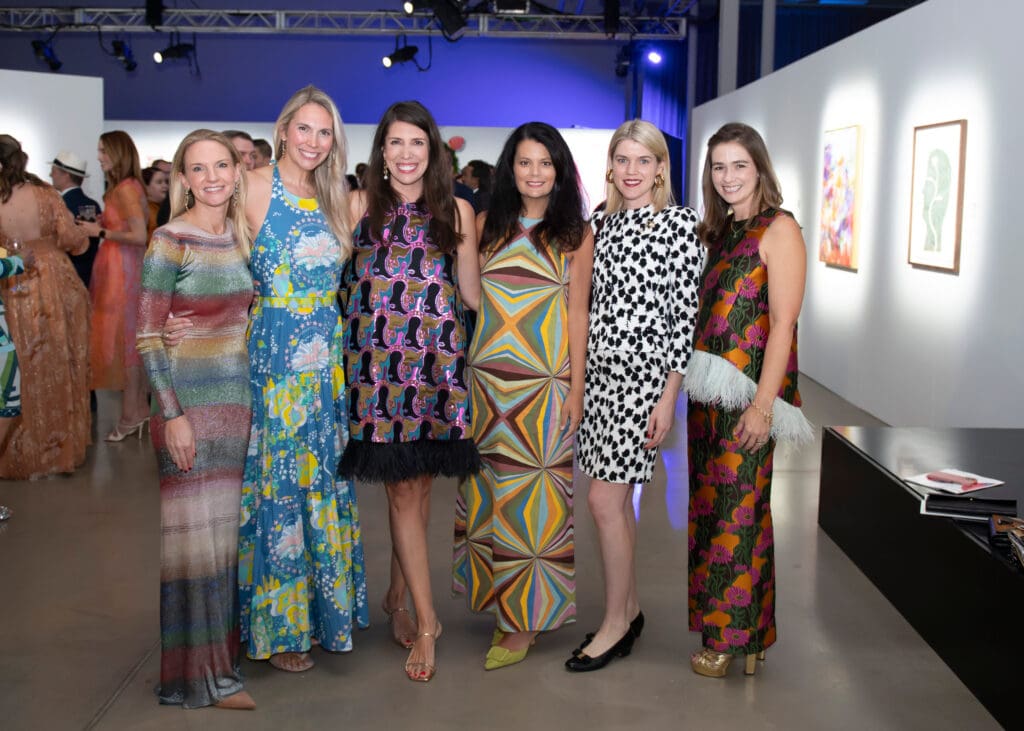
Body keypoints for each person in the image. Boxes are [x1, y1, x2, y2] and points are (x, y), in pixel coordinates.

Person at [342, 100, 480, 682]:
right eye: (394, 144)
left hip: (435, 366)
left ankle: (397, 594)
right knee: (401, 490)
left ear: (434, 150)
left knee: (418, 488)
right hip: (375, 372)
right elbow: (322, 278)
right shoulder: (356, 205)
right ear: (380, 150)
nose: (405, 155)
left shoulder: (458, 210)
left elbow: (472, 296)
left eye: (416, 144)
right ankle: (428, 625)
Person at [236, 87, 368, 673]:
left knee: (323, 484)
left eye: (325, 132)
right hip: (273, 359)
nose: (315, 141)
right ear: (284, 128)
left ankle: (325, 616)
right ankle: (283, 628)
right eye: (305, 129)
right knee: (280, 488)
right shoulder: (252, 186)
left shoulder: (338, 196)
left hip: (326, 366)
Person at [452, 122, 593, 670]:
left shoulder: (576, 234)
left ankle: (524, 622)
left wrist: (577, 389)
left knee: (535, 503)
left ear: (560, 172)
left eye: (546, 163)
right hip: (487, 384)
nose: (535, 173)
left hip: (544, 387)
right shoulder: (487, 224)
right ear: (510, 168)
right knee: (491, 497)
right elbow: (469, 298)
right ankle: (498, 603)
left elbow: (578, 314)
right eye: (525, 162)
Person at [566, 120, 704, 672]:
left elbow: (683, 319)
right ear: (610, 166)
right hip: (599, 378)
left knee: (602, 501)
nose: (631, 170)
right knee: (615, 502)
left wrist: (669, 397)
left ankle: (616, 623)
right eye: (621, 159)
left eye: (642, 160)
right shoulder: (599, 222)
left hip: (643, 383)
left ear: (660, 167)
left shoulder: (681, 225)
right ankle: (630, 606)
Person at [684, 122, 812, 678]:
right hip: (708, 398)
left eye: (739, 165)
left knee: (741, 516)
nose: (728, 177)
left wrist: (762, 407)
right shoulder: (720, 232)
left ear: (759, 167)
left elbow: (783, 323)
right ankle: (748, 635)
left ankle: (729, 639)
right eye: (718, 167)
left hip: (751, 400)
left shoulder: (778, 228)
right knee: (712, 514)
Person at [136, 130, 256, 710]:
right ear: (182, 177)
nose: (212, 177)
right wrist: (173, 415)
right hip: (187, 403)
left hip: (236, 407)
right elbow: (146, 334)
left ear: (238, 170)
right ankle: (199, 678)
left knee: (221, 541)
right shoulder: (168, 240)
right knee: (193, 542)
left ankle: (219, 662)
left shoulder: (239, 237)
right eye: (198, 168)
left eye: (221, 166)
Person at [0, 134, 91, 479]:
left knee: (18, 369)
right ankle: (56, 454)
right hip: (55, 282)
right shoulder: (46, 194)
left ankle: (16, 456)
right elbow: (73, 239)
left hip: (11, 283)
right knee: (57, 364)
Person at [76, 130, 150, 442]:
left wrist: (100, 232)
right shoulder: (126, 187)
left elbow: (140, 235)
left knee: (127, 345)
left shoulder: (124, 190)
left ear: (118, 153)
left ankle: (132, 414)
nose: (99, 156)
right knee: (128, 345)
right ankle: (136, 412)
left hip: (124, 273)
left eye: (103, 150)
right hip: (120, 270)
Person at [49, 151, 101, 287]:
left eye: (53, 171)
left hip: (64, 274)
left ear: (65, 175)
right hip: (89, 273)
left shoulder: (58, 205)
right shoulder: (92, 205)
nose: (50, 175)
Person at [141, 165, 169, 240]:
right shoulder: (143, 210)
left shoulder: (166, 207)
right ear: (145, 187)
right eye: (159, 182)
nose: (165, 186)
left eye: (166, 182)